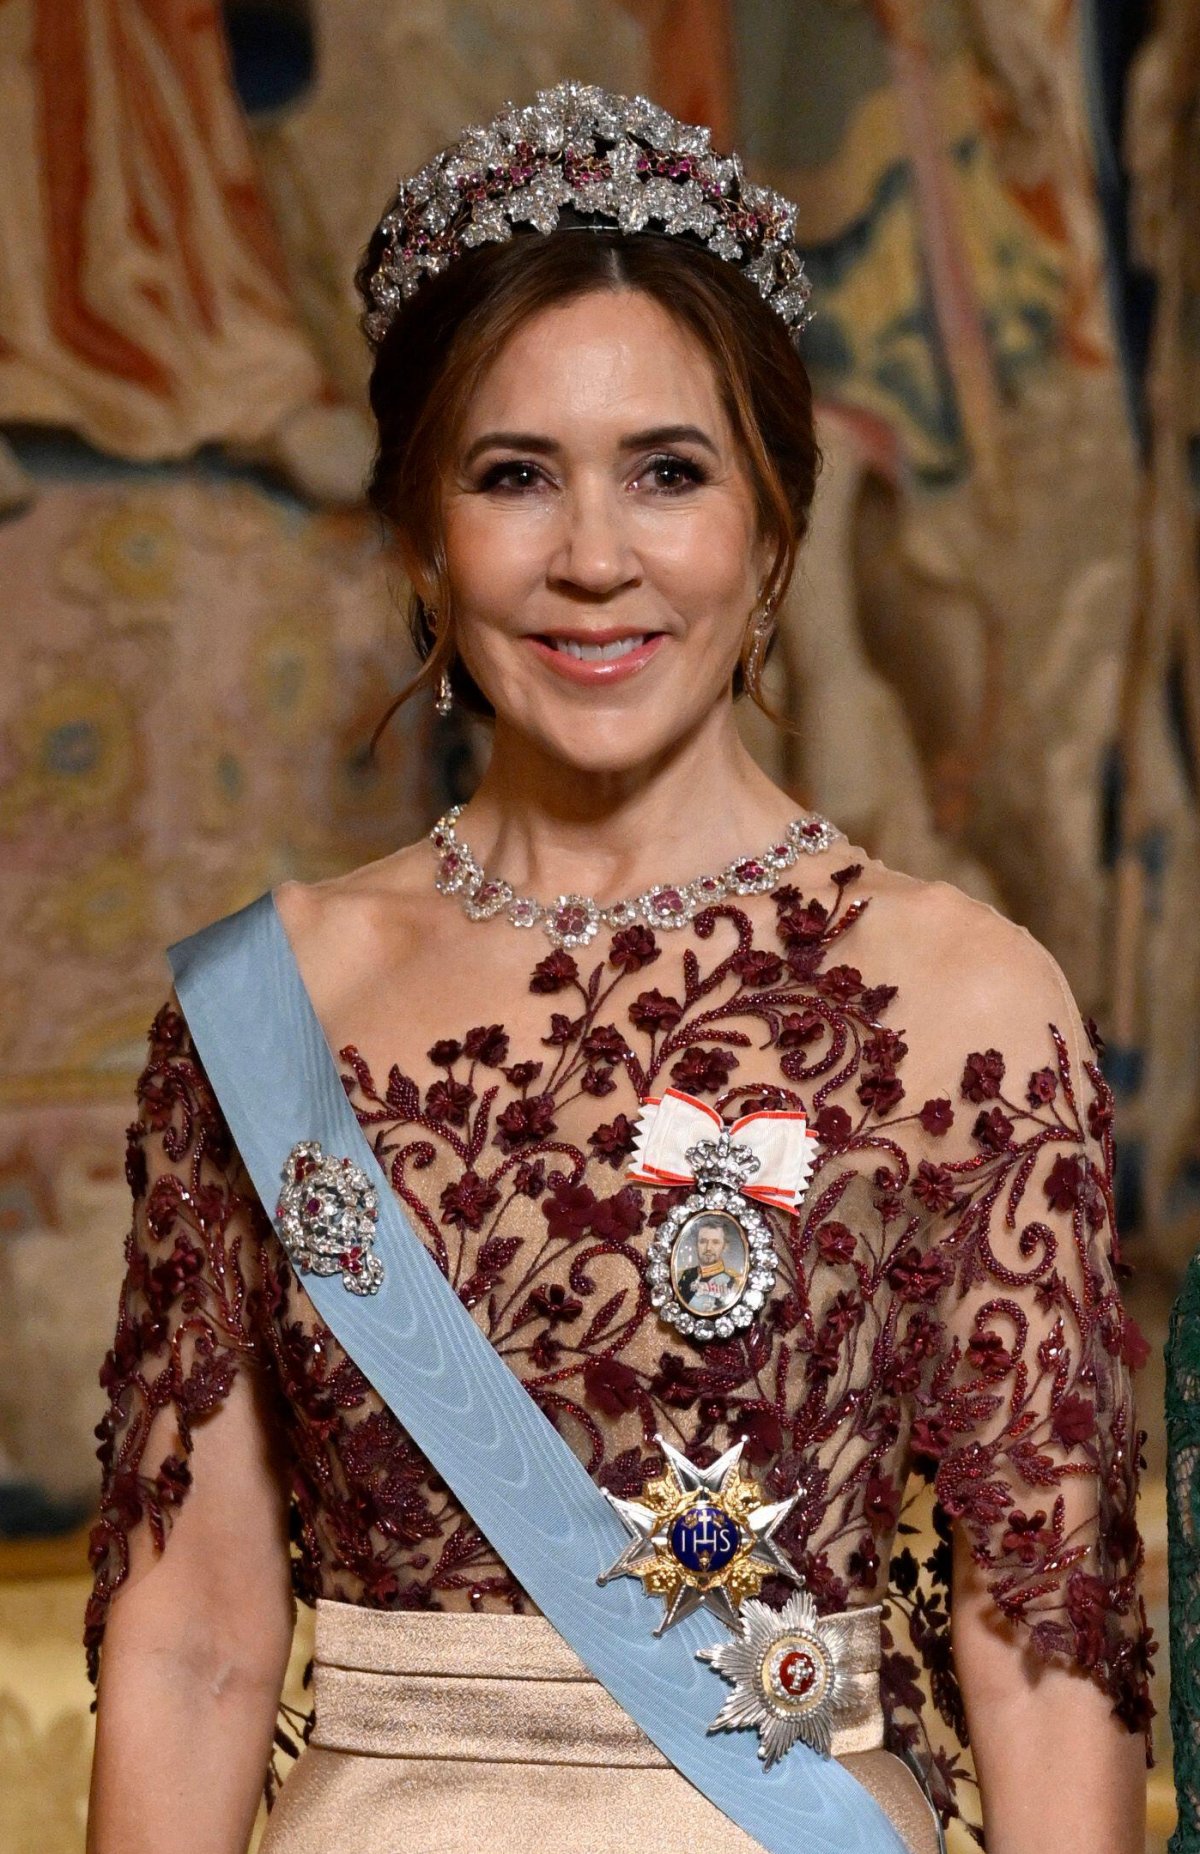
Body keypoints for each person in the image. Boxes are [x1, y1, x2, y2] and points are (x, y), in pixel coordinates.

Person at [84, 83, 1152, 1854]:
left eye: (670, 470)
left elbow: (1042, 1641)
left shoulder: (963, 995)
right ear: (424, 534)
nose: (595, 557)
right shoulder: (269, 1004)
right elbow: (193, 1643)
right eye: (516, 477)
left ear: (774, 524)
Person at [676, 1214, 746, 1314]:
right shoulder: (682, 1275)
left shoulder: (735, 1281)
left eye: (715, 1242)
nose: (708, 1248)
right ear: (696, 1245)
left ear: (724, 1246)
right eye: (703, 1241)